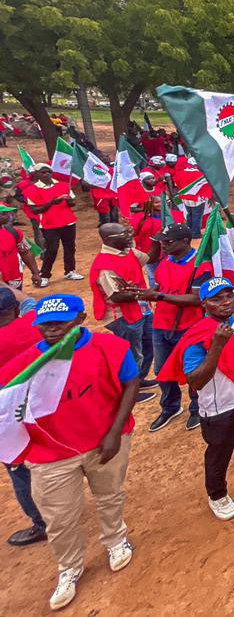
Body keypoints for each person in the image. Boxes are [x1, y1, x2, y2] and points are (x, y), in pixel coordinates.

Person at [0, 294, 139, 611]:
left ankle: (116, 540)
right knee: (59, 517)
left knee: (110, 495)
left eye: (59, 324)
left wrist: (115, 432)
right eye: (44, 326)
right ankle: (69, 568)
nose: (51, 332)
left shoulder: (110, 348)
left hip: (105, 442)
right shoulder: (23, 368)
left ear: (80, 319)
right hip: (50, 456)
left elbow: (131, 382)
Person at [157, 278, 234, 520]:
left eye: (229, 296)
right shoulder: (196, 337)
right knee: (219, 452)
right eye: (216, 299)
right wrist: (217, 345)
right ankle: (217, 495)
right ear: (204, 304)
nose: (225, 303)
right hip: (220, 406)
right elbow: (196, 380)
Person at [137, 223, 204, 432]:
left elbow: (196, 299)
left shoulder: (200, 265)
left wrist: (158, 296)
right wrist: (143, 292)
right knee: (162, 370)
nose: (162, 245)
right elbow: (158, 287)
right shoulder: (165, 263)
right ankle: (170, 407)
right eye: (161, 241)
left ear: (185, 241)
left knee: (192, 369)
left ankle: (197, 408)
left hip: (189, 326)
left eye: (168, 241)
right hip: (161, 324)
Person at [0, 285, 47, 548]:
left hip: (10, 414)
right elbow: (29, 300)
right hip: (45, 403)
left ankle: (42, 523)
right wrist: (5, 284)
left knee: (18, 467)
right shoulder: (35, 322)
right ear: (14, 310)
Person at [88, 223, 157, 402]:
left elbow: (150, 258)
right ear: (109, 240)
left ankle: (138, 380)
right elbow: (117, 296)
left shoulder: (129, 251)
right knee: (132, 353)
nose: (130, 235)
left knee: (147, 347)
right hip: (122, 316)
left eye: (128, 231)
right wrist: (145, 293)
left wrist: (157, 239)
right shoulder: (105, 265)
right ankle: (129, 391)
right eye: (124, 233)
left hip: (141, 309)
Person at [23, 164, 82, 284]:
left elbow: (72, 204)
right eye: (43, 172)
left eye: (48, 172)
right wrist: (53, 202)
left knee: (70, 248)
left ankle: (70, 271)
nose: (46, 174)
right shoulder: (32, 190)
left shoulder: (64, 185)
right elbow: (35, 210)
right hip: (49, 224)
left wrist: (70, 201)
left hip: (68, 221)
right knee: (51, 249)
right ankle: (44, 275)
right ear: (36, 174)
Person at [0, 203, 42, 289]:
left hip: (13, 278)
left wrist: (35, 273)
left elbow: (26, 252)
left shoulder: (14, 232)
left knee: (15, 301)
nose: (8, 215)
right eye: (3, 213)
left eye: (8, 212)